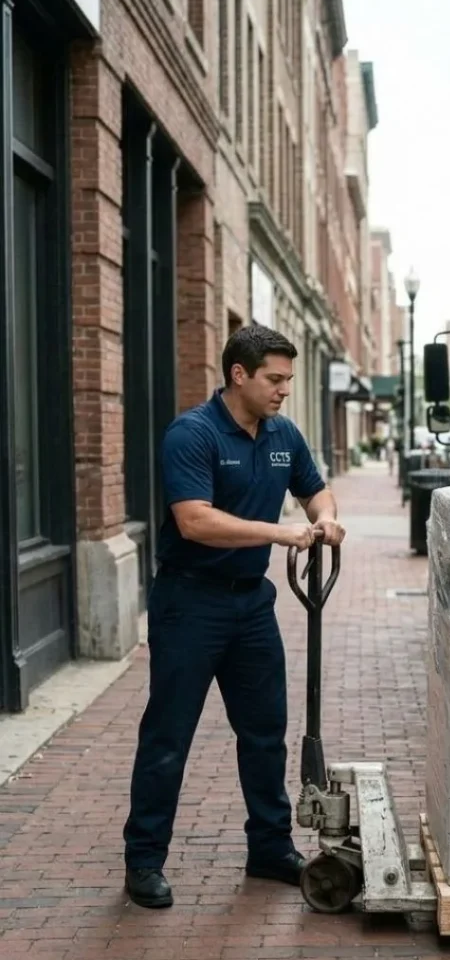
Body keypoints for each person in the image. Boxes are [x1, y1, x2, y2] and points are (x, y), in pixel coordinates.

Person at [122, 324, 345, 909]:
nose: (284, 390)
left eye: (288, 379)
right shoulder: (192, 434)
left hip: (251, 603)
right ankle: (144, 859)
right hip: (189, 603)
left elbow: (315, 490)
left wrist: (325, 518)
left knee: (265, 732)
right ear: (238, 375)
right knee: (169, 736)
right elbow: (195, 520)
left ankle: (269, 847)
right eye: (275, 379)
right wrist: (279, 532)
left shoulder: (282, 433)